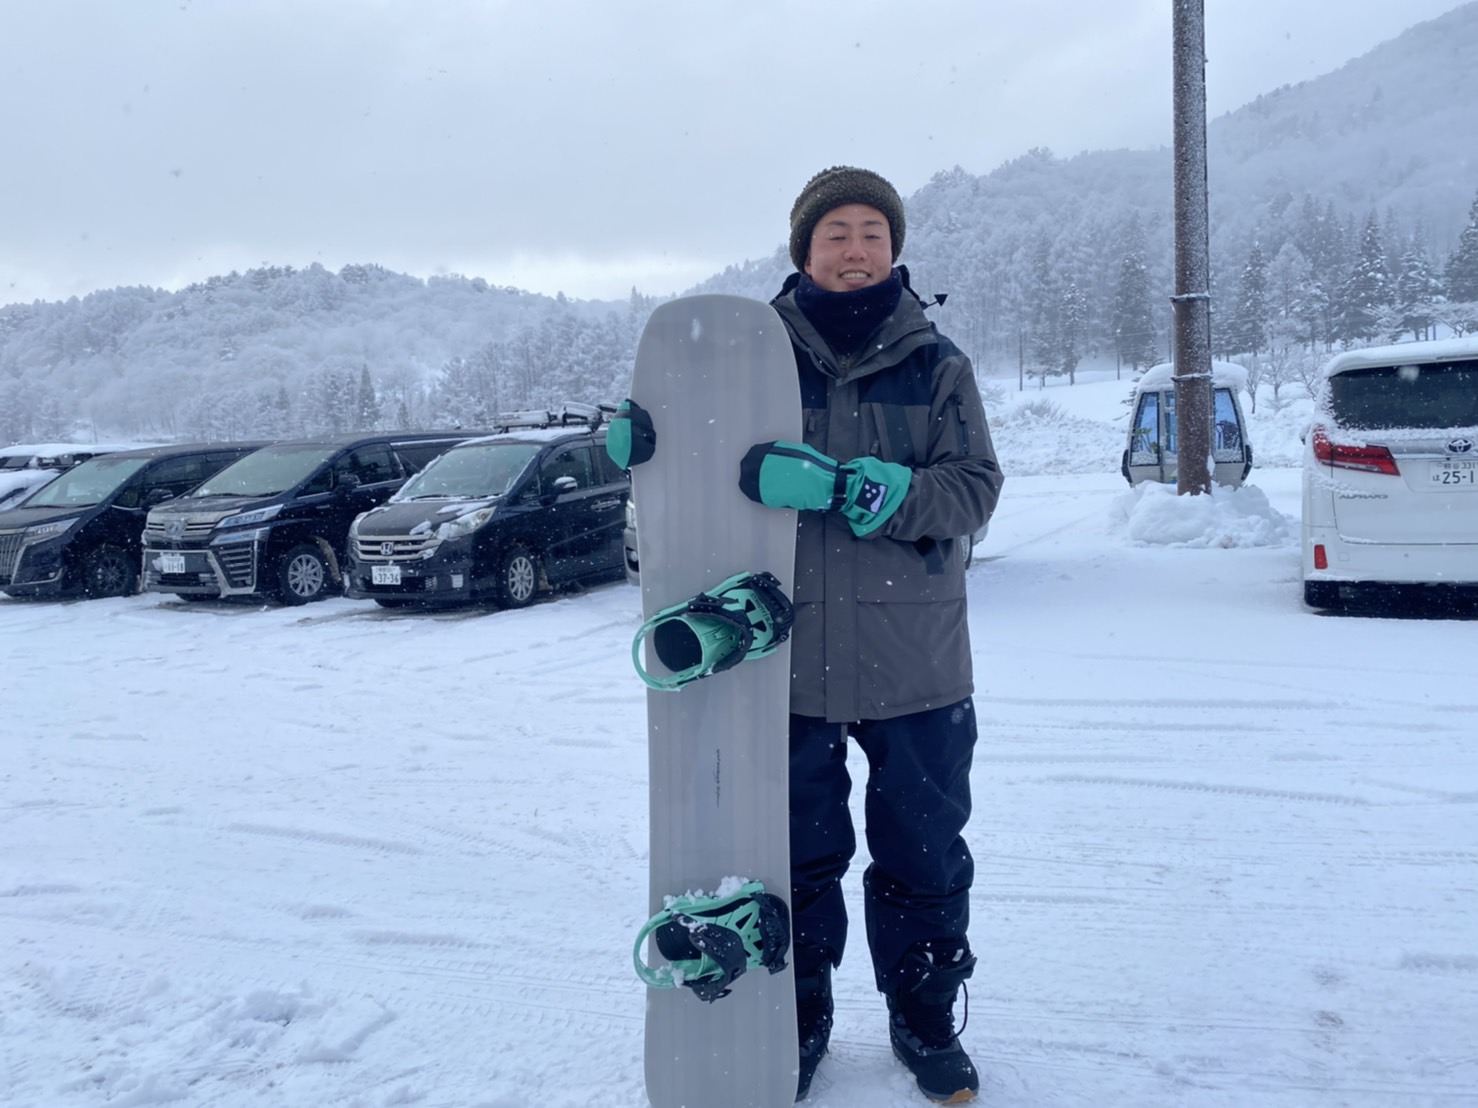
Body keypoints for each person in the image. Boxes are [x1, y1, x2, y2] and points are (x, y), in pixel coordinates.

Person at [737, 166, 1003, 1103]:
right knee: (794, 859)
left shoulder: (937, 364)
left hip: (917, 663)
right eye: (836, 234)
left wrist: (890, 494)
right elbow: (698, 472)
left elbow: (975, 489)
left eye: (873, 234)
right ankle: (798, 1018)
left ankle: (924, 1019)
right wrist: (647, 444)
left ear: (894, 249)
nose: (856, 251)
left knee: (924, 852)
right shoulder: (754, 360)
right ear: (804, 249)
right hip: (786, 661)